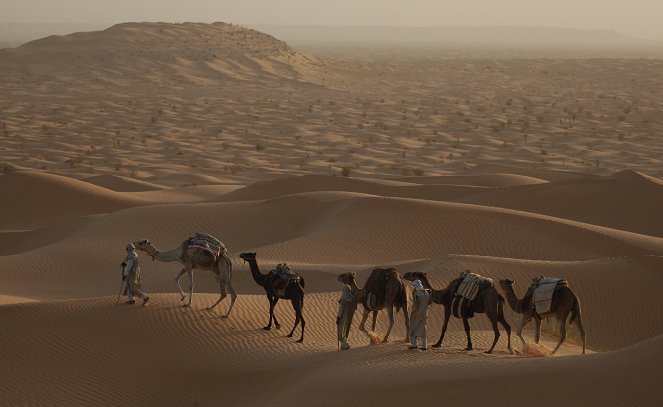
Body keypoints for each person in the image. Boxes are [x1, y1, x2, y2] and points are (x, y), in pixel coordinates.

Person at [408, 279, 431, 350]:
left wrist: (413, 313)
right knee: (423, 329)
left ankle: (414, 345)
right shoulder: (426, 293)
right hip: (425, 313)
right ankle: (424, 346)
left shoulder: (417, 293)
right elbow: (429, 303)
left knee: (412, 328)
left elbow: (416, 304)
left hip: (418, 313)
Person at [336, 282, 357, 351]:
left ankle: (344, 344)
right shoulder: (352, 297)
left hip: (343, 316)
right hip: (350, 317)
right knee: (346, 328)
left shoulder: (343, 298)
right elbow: (355, 307)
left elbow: (341, 308)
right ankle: (344, 344)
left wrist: (338, 317)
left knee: (341, 329)